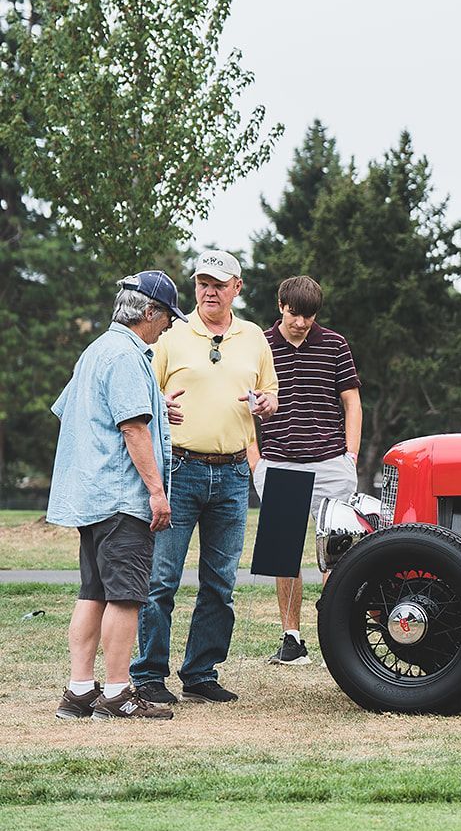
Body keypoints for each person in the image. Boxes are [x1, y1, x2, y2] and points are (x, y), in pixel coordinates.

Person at [132, 250, 278, 705]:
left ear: (237, 287)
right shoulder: (173, 334)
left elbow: (271, 393)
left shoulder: (253, 336)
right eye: (202, 283)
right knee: (162, 580)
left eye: (218, 283)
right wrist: (162, 408)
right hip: (179, 468)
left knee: (220, 581)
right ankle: (149, 674)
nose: (209, 291)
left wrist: (266, 404)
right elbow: (142, 391)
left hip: (234, 471)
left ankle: (200, 672)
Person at [48, 272, 187, 720]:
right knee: (126, 596)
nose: (167, 326)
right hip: (122, 496)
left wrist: (154, 402)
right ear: (149, 312)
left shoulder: (95, 351)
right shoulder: (128, 356)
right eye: (166, 317)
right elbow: (132, 427)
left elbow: (75, 408)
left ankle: (79, 691)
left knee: (92, 593)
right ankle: (116, 692)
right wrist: (157, 492)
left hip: (91, 497)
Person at [247, 275, 363, 666]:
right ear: (281, 305)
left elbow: (352, 403)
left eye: (309, 316)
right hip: (279, 461)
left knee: (337, 553)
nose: (301, 323)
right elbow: (242, 407)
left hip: (331, 462)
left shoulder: (335, 344)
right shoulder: (258, 345)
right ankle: (292, 640)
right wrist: (255, 461)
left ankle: (338, 636)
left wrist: (351, 455)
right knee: (284, 555)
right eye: (295, 314)